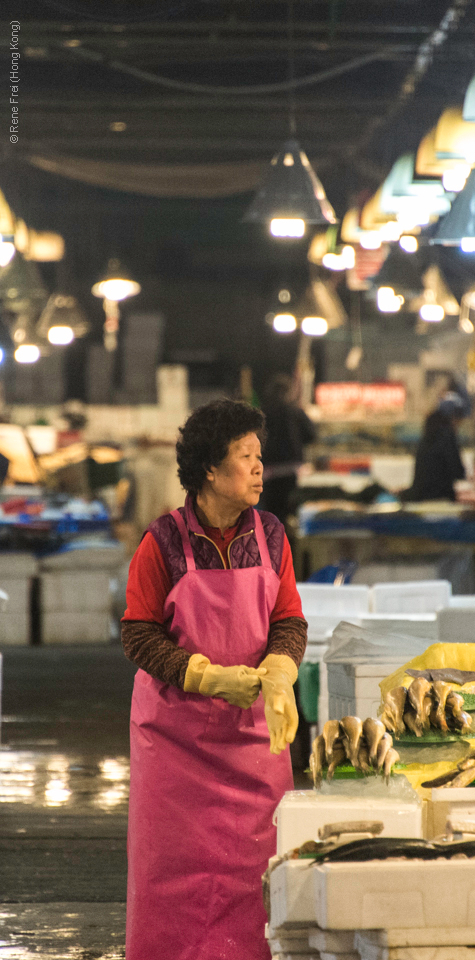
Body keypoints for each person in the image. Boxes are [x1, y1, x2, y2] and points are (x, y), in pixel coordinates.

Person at [121, 398, 308, 960]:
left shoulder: (272, 535)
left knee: (255, 872)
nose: (258, 468)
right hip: (175, 744)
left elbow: (289, 618)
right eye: (245, 456)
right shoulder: (162, 541)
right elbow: (137, 633)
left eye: (259, 456)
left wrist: (279, 667)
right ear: (209, 469)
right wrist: (202, 676)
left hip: (253, 739)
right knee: (171, 875)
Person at [259, 373, 316, 526]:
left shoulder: (263, 413)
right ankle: (289, 545)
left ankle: (271, 546)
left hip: (269, 473)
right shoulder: (296, 412)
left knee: (271, 515)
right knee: (291, 515)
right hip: (292, 471)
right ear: (289, 392)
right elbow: (311, 435)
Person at [402, 392, 469, 501]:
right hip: (440, 499)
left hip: (420, 496)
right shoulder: (447, 436)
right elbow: (458, 471)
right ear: (453, 418)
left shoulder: (428, 434)